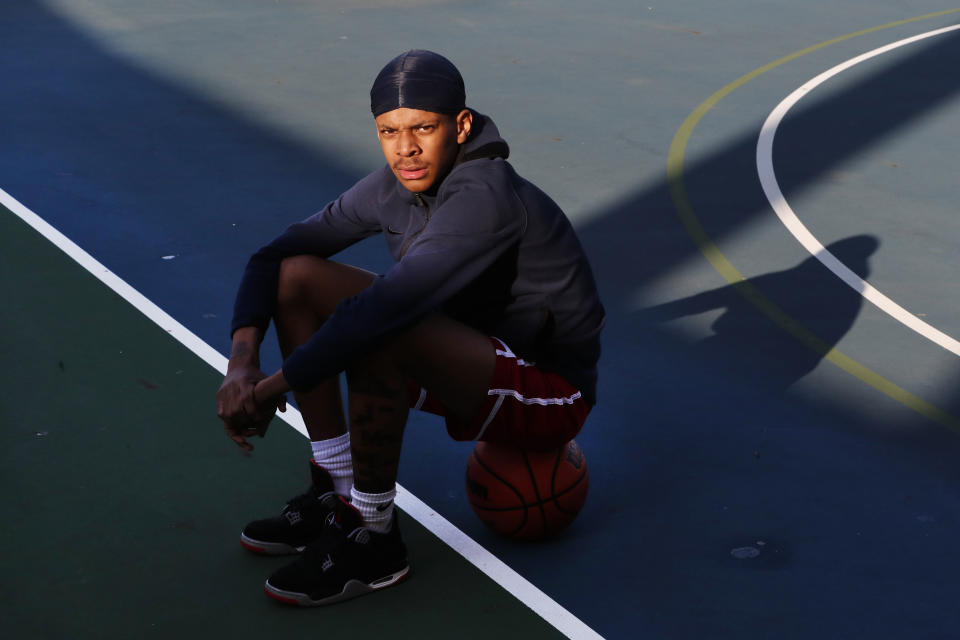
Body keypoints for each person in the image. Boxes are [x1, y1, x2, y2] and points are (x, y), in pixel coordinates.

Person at [216, 49, 605, 607]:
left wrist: (266, 393)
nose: (406, 149)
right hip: (466, 355)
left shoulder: (485, 194)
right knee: (296, 276)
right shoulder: (390, 185)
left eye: (424, 127)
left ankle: (374, 537)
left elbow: (384, 308)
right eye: (389, 131)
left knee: (382, 323)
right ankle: (334, 489)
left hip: (549, 391)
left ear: (461, 125)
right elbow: (273, 256)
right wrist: (241, 362)